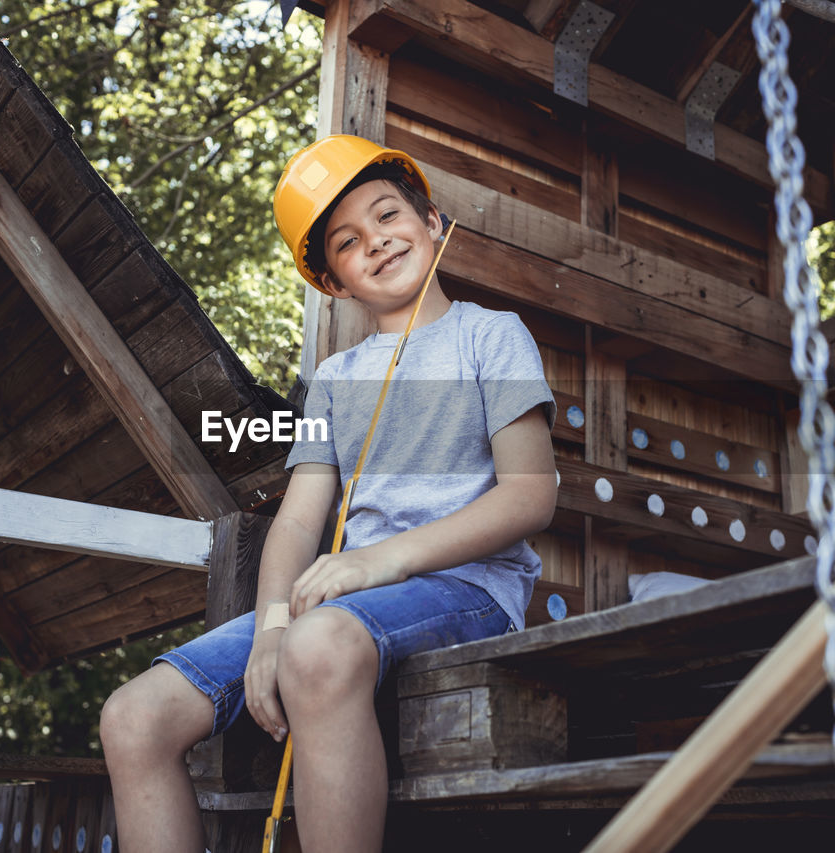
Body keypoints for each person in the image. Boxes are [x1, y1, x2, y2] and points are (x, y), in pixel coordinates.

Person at [100, 135, 557, 853]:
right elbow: (298, 518)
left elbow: (531, 498)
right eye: (348, 242)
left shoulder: (492, 336)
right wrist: (273, 625)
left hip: (467, 589)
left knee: (319, 641)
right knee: (133, 716)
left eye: (387, 217)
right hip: (341, 611)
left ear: (433, 222)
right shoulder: (333, 380)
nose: (375, 242)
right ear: (334, 281)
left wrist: (378, 563)